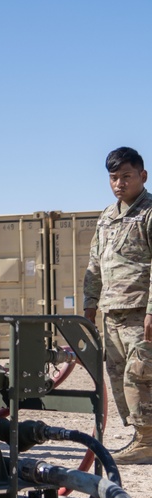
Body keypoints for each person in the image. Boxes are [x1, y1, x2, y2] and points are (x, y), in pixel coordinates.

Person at [84, 147, 152, 464]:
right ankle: (141, 436)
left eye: (126, 176)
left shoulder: (149, 213)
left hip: (141, 312)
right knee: (117, 375)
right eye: (114, 177)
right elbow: (95, 265)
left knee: (139, 376)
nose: (119, 183)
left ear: (143, 176)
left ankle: (147, 440)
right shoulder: (107, 217)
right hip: (111, 313)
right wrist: (89, 306)